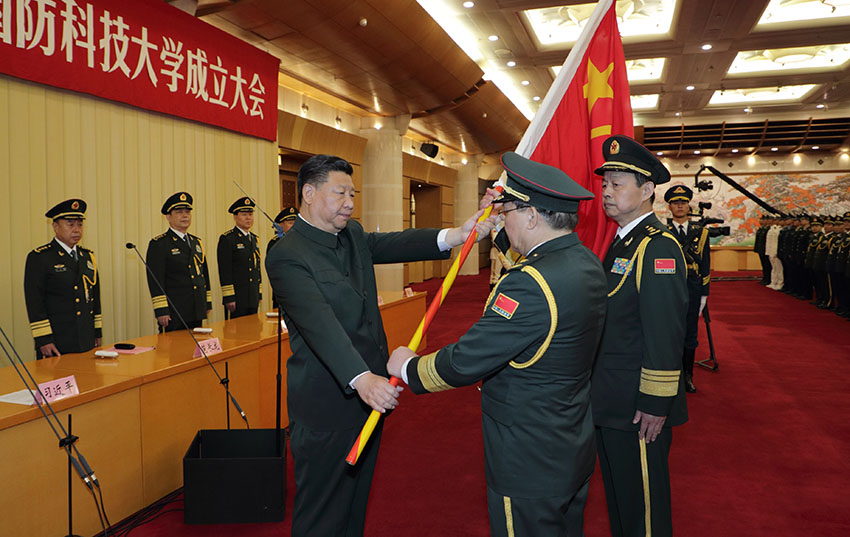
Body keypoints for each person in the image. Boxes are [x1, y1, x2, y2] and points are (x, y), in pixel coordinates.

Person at [265, 154, 492, 537]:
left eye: (352, 194)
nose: (350, 203)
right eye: (340, 194)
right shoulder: (287, 256)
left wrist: (456, 234)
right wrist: (361, 378)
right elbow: (321, 326)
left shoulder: (350, 233)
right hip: (328, 406)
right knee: (321, 513)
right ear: (308, 193)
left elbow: (389, 244)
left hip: (369, 398)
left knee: (355, 504)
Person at [387, 152, 607, 537]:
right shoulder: (585, 263)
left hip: (527, 457)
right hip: (569, 443)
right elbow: (531, 261)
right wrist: (493, 224)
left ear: (534, 216)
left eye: (509, 212)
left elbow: (468, 360)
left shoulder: (529, 284)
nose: (504, 218)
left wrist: (408, 367)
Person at [592, 135, 688, 537]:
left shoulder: (657, 247)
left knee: (644, 510)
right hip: (612, 398)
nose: (607, 192)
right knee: (622, 500)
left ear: (648, 190)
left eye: (618, 184)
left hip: (638, 407)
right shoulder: (621, 242)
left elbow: (665, 331)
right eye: (605, 184)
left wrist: (655, 401)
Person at [24, 199, 102, 358]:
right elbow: (35, 301)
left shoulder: (87, 256)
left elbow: (95, 297)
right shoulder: (41, 257)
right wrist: (43, 339)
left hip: (85, 338)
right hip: (57, 340)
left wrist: (96, 331)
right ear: (55, 226)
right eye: (70, 224)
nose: (76, 230)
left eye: (80, 225)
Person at [664, 185, 709, 393]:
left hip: (692, 287)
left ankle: (688, 376)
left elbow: (706, 264)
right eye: (675, 203)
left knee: (690, 333)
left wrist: (704, 294)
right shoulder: (662, 231)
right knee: (668, 332)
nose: (680, 206)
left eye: (683, 202)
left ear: (688, 205)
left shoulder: (700, 233)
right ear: (669, 207)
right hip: (668, 288)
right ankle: (669, 375)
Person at [145, 192, 211, 332]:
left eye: (187, 212)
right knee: (174, 351)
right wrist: (161, 310)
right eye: (179, 212)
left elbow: (204, 274)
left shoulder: (196, 242)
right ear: (168, 217)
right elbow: (155, 280)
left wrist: (206, 302)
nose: (185, 215)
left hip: (195, 307)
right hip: (174, 310)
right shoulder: (160, 244)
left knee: (195, 350)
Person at [217, 197, 262, 319]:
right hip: (237, 297)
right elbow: (225, 270)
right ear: (235, 217)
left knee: (254, 331)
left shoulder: (254, 239)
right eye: (244, 214)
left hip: (252, 295)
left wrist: (259, 293)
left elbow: (256, 268)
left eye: (250, 214)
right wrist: (229, 296)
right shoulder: (228, 239)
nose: (248, 218)